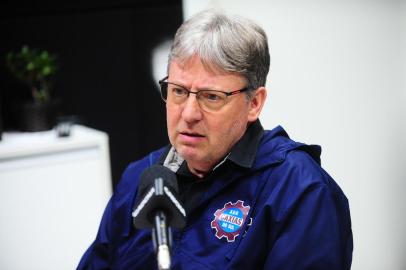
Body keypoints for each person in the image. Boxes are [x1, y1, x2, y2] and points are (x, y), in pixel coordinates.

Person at [77, 9, 353, 270]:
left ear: (254, 103)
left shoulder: (300, 190)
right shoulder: (141, 178)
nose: (189, 114)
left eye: (211, 97)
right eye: (178, 91)